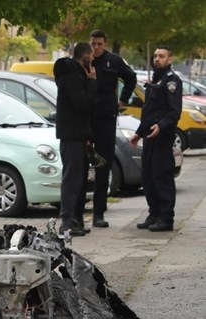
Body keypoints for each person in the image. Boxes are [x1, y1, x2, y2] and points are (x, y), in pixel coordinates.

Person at [89, 29, 137, 228]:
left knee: (103, 166)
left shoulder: (114, 61)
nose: (96, 47)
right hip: (86, 119)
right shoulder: (85, 61)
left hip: (106, 119)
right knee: (80, 168)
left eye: (99, 44)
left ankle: (98, 213)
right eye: (93, 44)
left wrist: (123, 100)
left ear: (105, 44)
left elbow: (131, 78)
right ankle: (73, 215)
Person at [130, 46, 182, 232]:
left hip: (163, 136)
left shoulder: (171, 81)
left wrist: (161, 126)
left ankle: (166, 218)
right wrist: (138, 132)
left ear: (169, 60)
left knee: (162, 176)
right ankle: (155, 213)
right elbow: (149, 112)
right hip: (150, 136)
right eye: (156, 56)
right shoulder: (155, 81)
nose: (157, 59)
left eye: (162, 56)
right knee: (148, 177)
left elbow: (174, 111)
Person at [53, 42, 97, 237]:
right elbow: (82, 103)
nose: (94, 60)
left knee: (77, 180)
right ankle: (67, 223)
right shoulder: (72, 75)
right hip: (71, 135)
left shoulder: (76, 74)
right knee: (71, 180)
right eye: (92, 57)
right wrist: (92, 81)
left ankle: (73, 221)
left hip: (77, 134)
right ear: (85, 57)